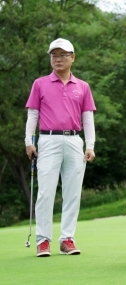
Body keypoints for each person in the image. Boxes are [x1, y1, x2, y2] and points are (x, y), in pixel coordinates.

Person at [24, 38, 96, 257]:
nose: (57, 59)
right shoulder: (40, 83)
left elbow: (87, 118)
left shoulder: (82, 86)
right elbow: (32, 115)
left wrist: (90, 145)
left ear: (72, 57)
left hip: (75, 141)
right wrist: (29, 141)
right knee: (45, 192)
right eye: (54, 55)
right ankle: (43, 240)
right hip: (47, 139)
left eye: (63, 55)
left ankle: (67, 239)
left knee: (72, 193)